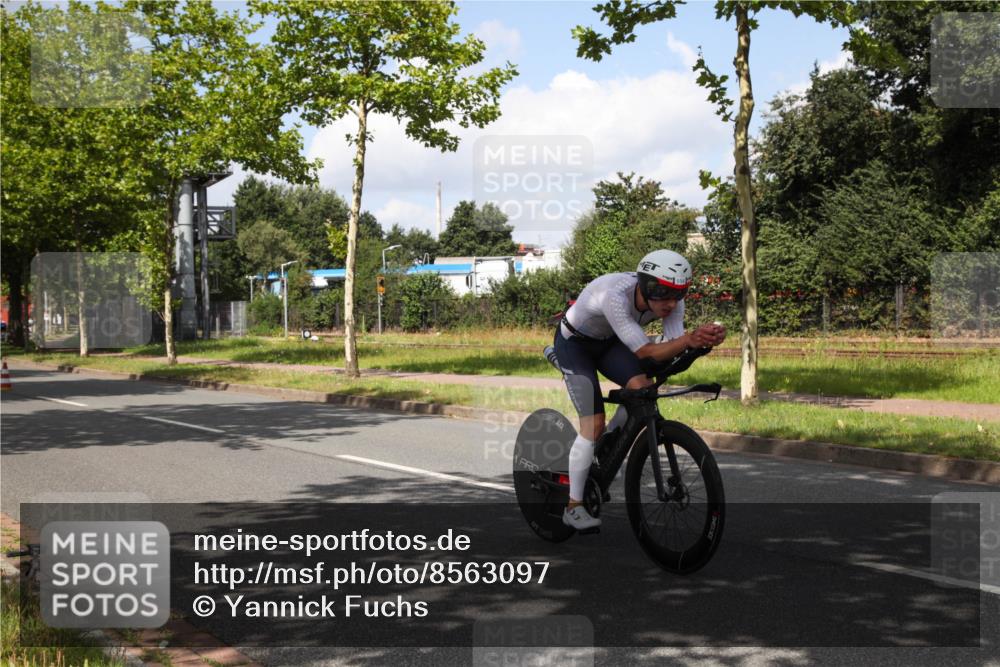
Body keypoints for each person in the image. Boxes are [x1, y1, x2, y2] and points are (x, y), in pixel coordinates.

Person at [553, 249, 726, 530]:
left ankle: (611, 441)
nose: (671, 303)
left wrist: (701, 342)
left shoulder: (672, 303)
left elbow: (670, 349)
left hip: (610, 342)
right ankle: (573, 507)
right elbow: (647, 351)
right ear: (645, 285)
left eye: (678, 294)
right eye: (663, 293)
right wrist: (689, 340)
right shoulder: (615, 295)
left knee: (642, 388)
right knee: (593, 424)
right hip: (575, 345)